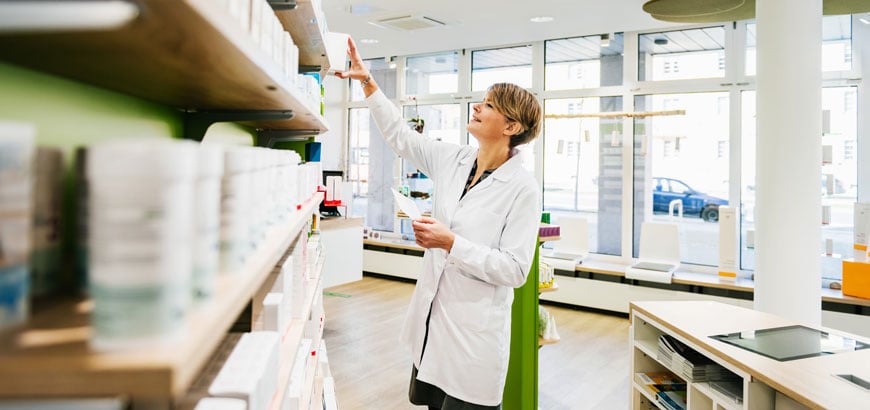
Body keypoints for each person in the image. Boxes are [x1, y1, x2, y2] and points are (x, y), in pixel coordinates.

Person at [335, 37, 543, 409]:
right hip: (433, 323)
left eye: (489, 105)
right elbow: (401, 137)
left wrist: (450, 243)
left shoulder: (523, 188)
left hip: (473, 337)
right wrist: (367, 81)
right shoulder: (456, 159)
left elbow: (514, 270)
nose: (477, 107)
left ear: (511, 126)